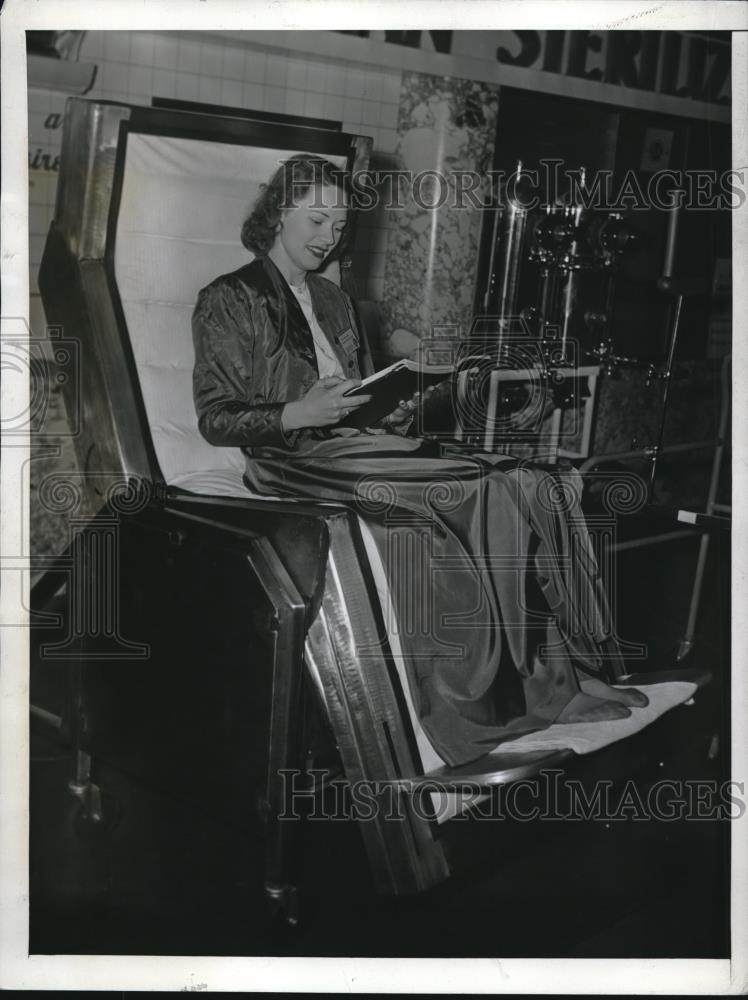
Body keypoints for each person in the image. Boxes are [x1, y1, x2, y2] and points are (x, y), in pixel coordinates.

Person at [191, 154, 647, 769]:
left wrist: (401, 397)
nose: (329, 237)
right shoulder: (228, 298)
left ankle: (569, 669)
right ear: (278, 214)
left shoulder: (334, 300)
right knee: (471, 489)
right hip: (290, 458)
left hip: (352, 443)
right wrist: (297, 413)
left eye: (339, 225)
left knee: (532, 482)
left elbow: (358, 399)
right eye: (317, 220)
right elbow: (217, 416)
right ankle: (528, 699)